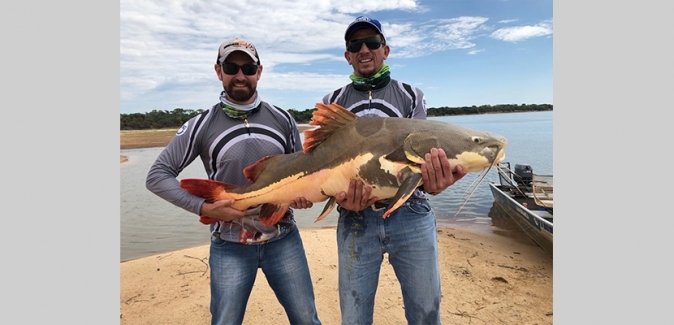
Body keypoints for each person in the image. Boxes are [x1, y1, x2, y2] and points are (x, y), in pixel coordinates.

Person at [146, 37, 321, 325]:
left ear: (259, 72)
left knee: (306, 319)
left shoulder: (284, 120)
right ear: (219, 71)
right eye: (231, 67)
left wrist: (301, 198)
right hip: (229, 245)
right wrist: (205, 208)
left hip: (284, 238)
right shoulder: (199, 125)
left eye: (248, 68)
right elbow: (157, 177)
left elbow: (301, 173)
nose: (240, 75)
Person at [321, 16, 468, 324]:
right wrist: (338, 195)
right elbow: (325, 164)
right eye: (355, 45)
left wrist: (436, 183)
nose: (364, 50)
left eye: (372, 43)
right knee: (354, 317)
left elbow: (423, 165)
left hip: (411, 216)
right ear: (347, 55)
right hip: (355, 220)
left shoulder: (411, 96)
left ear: (385, 50)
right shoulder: (333, 102)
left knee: (426, 315)